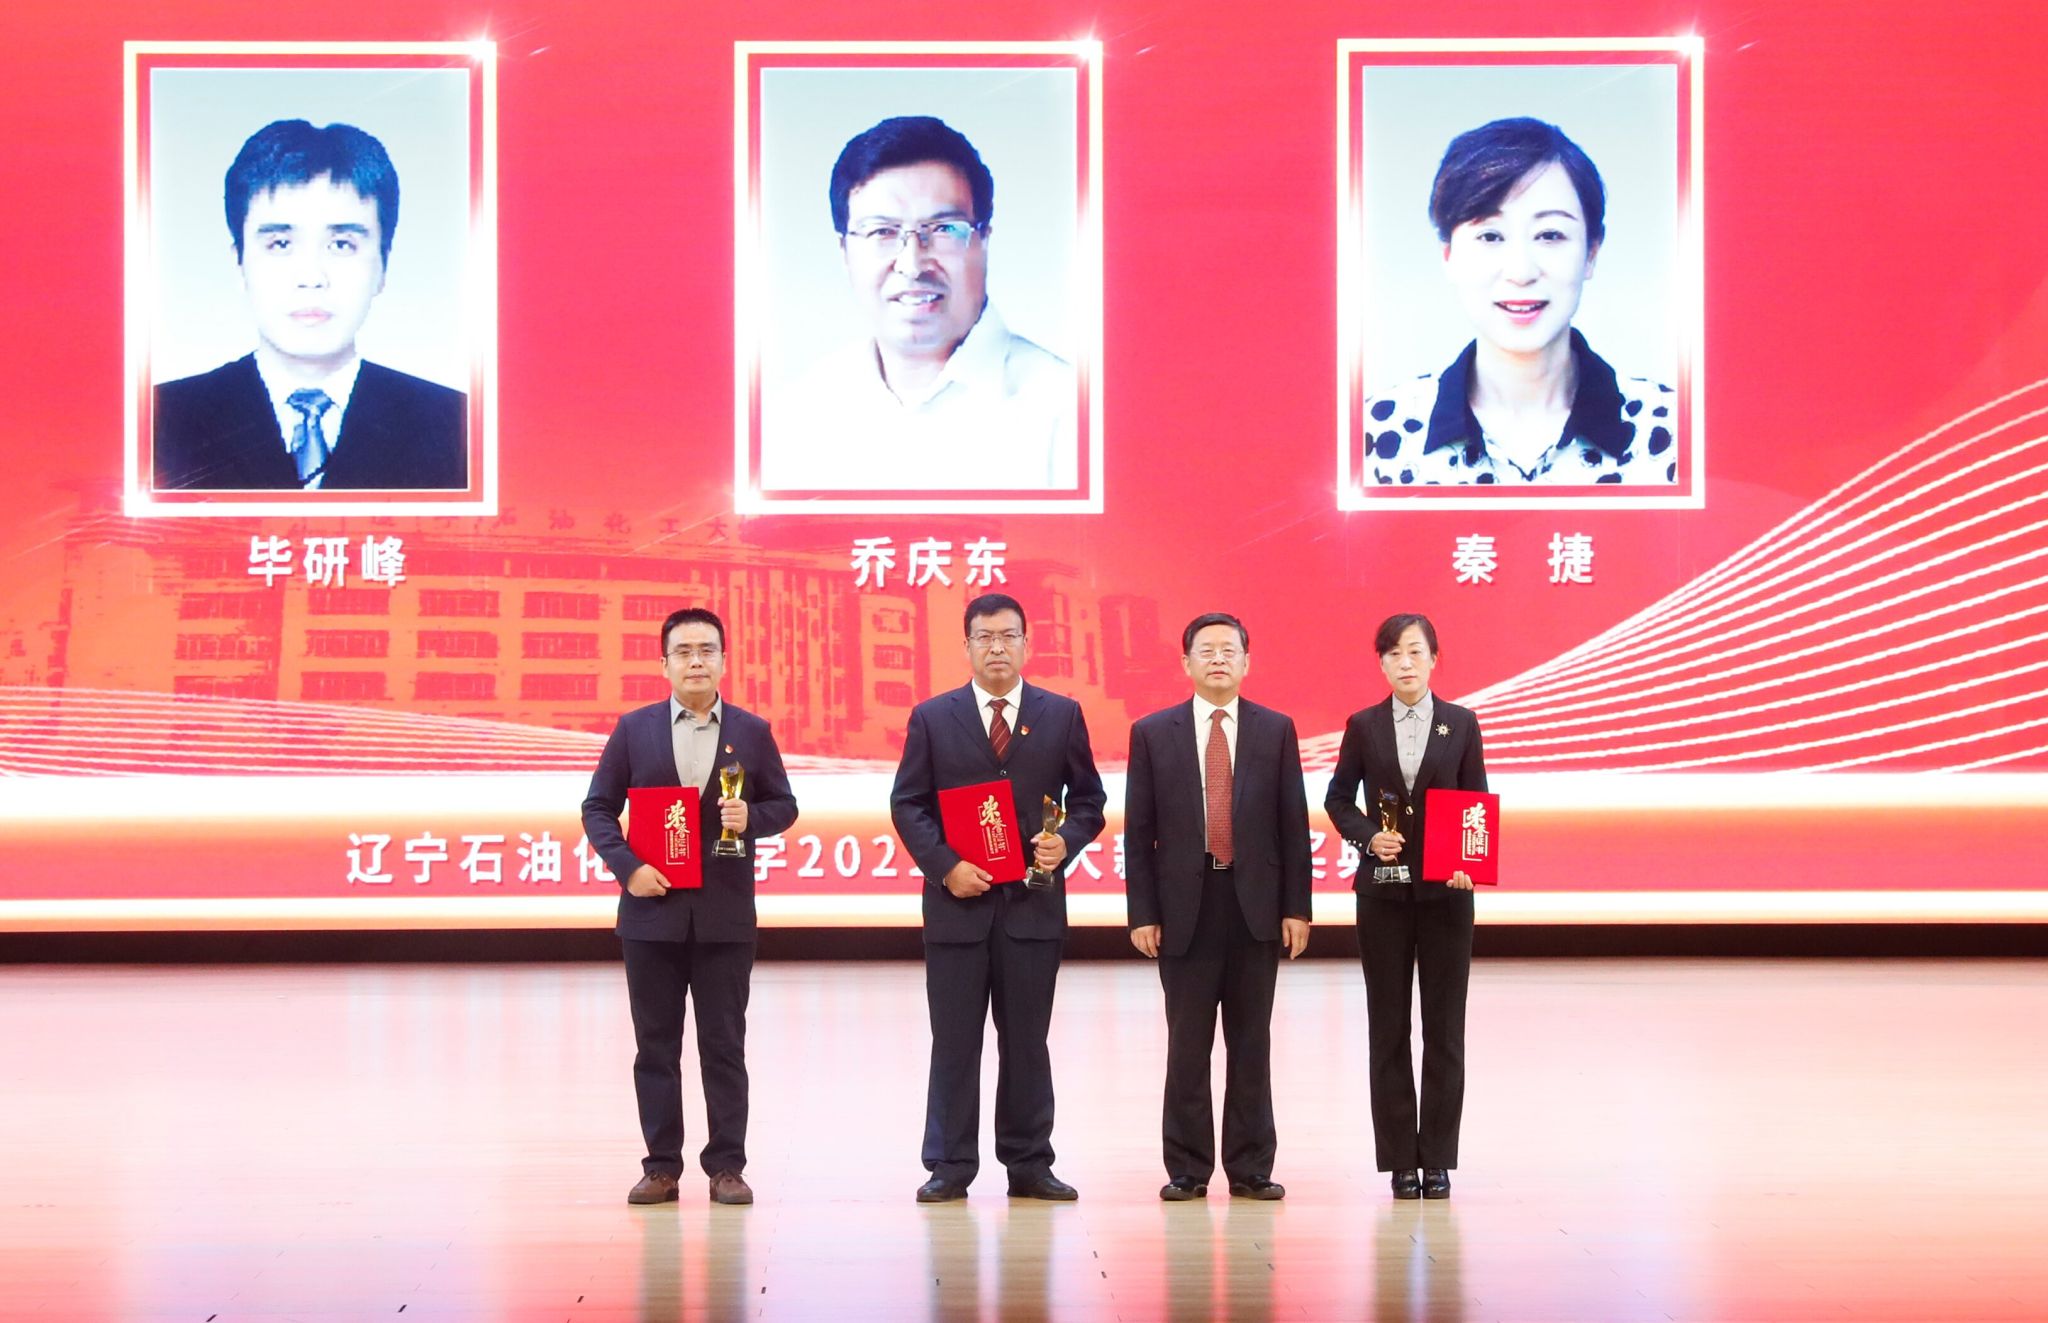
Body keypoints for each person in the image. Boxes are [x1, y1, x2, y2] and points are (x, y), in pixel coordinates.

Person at [889, 592, 1106, 1202]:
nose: (997, 647)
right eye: (984, 637)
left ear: (1027, 644)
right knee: (955, 1042)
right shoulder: (933, 717)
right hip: (957, 910)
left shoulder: (1061, 714)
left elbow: (1089, 801)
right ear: (966, 647)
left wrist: (1064, 842)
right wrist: (946, 867)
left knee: (1027, 1042)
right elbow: (908, 803)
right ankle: (950, 1164)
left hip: (1032, 908)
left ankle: (1030, 1162)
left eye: (1009, 636)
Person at [581, 607, 799, 1207]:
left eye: (707, 650)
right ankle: (660, 1167)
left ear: (724, 660)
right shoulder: (635, 730)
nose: (696, 661)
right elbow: (597, 808)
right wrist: (629, 868)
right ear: (665, 664)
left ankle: (727, 1166)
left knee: (723, 1046)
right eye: (684, 651)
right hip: (652, 916)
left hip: (725, 918)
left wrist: (752, 817)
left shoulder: (751, 731)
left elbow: (785, 805)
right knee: (656, 1046)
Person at [761, 115, 1077, 492]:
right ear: (844, 251)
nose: (912, 264)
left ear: (984, 240)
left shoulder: (1073, 414)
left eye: (943, 230)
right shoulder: (794, 417)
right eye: (882, 232)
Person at [153, 118, 468, 491]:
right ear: (239, 263)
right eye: (280, 244)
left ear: (383, 266)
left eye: (341, 244)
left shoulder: (459, 426)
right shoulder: (157, 420)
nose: (312, 277)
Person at [1360, 116, 1675, 487]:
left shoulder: (1676, 432)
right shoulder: (1373, 437)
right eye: (1491, 236)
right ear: (1449, 256)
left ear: (1591, 253)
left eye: (1550, 234)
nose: (1521, 272)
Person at [1124, 612, 1313, 1202]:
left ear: (1247, 661)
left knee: (1251, 1043)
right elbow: (1139, 832)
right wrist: (1142, 912)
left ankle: (1251, 1166)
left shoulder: (1275, 730)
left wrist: (1297, 908)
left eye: (1229, 650)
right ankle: (1187, 1168)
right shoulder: (1152, 733)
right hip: (1185, 907)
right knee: (1187, 1045)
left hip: (1255, 906)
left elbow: (1293, 824)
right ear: (1185, 662)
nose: (1218, 659)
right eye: (1205, 650)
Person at [1323, 613, 1488, 1200]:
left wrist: (1469, 859)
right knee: (1388, 1028)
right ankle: (1399, 1159)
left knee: (1444, 1029)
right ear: (1382, 663)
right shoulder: (1364, 725)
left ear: (1434, 658)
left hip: (1448, 897)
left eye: (1415, 651)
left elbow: (1475, 801)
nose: (1405, 662)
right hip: (1384, 896)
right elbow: (1338, 799)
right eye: (1393, 653)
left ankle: (1437, 1158)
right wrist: (1369, 836)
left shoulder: (1461, 723)